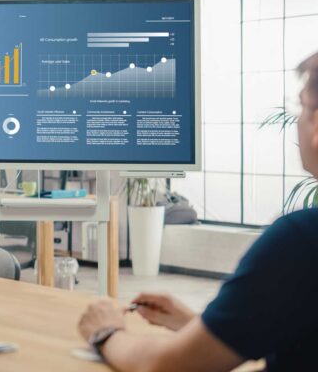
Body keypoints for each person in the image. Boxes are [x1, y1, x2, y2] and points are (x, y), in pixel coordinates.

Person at [78, 51, 318, 372]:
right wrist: (201, 325)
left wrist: (106, 332)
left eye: (302, 106)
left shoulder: (302, 241)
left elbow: (165, 367)